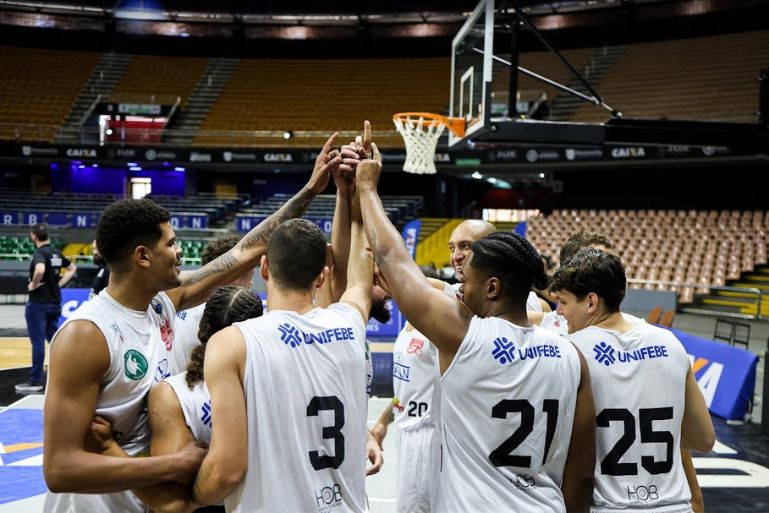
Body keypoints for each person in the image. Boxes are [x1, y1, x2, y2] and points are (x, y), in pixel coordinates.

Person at [42, 133, 344, 513]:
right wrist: (172, 463)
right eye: (171, 243)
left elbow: (248, 250)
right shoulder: (86, 335)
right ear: (142, 256)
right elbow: (59, 468)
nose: (180, 251)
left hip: (147, 502)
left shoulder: (162, 303)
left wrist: (312, 188)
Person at [357, 142, 596, 512]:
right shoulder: (572, 354)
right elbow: (581, 473)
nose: (460, 287)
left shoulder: (467, 337)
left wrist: (366, 189)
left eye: (467, 279)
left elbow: (392, 257)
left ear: (493, 287)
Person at [191, 206, 373, 511]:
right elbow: (359, 282)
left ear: (264, 269)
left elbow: (228, 470)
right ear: (321, 277)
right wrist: (359, 199)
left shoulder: (232, 343)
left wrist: (190, 497)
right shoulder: (351, 323)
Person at [550, 248, 715, 513]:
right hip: (675, 507)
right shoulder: (670, 343)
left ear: (591, 302)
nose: (559, 312)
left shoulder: (570, 350)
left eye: (565, 302)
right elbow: (704, 439)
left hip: (611, 507)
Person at [90, 285, 263, 513]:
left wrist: (109, 448)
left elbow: (172, 505)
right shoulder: (281, 386)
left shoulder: (174, 394)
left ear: (202, 327)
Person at [169, 235, 256, 375]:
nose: (251, 284)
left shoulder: (180, 301)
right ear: (234, 276)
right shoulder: (223, 314)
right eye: (250, 277)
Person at [16, 223, 76, 393]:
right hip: (54, 303)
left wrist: (34, 285)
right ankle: (71, 373)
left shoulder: (39, 253)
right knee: (56, 341)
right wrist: (58, 285)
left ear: (33, 236)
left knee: (38, 342)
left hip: (38, 304)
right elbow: (72, 268)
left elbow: (40, 269)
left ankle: (35, 381)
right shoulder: (56, 253)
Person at [449, 218, 551, 312]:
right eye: (452, 248)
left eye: (466, 246)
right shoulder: (448, 297)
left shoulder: (537, 306)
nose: (455, 257)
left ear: (493, 248)